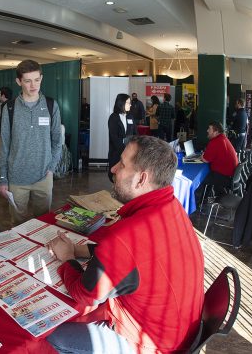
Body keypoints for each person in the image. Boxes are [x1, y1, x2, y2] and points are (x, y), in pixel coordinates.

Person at [46, 135, 205, 354]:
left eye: (122, 164)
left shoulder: (125, 236)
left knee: (51, 335)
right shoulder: (173, 207)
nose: (113, 169)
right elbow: (138, 258)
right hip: (181, 331)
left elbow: (84, 294)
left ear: (141, 179)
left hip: (150, 344)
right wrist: (79, 249)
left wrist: (67, 258)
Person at [0, 60, 62, 225]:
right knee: (18, 225)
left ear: (41, 78)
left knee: (44, 223)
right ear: (19, 81)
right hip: (17, 179)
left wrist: (51, 169)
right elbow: (4, 146)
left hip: (44, 177)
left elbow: (57, 141)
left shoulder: (50, 105)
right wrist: (3, 179)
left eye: (37, 79)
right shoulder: (9, 108)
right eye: (27, 81)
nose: (33, 85)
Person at [195, 121, 239, 204]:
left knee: (201, 178)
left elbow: (205, 159)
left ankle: (196, 203)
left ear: (216, 132)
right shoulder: (223, 138)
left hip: (225, 177)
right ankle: (204, 199)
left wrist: (202, 155)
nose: (207, 131)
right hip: (231, 176)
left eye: (209, 129)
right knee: (208, 175)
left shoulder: (215, 142)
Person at [107, 93, 134, 183]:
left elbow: (135, 133)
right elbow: (113, 137)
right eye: (128, 103)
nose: (130, 105)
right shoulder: (113, 117)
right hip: (117, 153)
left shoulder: (130, 116)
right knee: (116, 178)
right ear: (121, 103)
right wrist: (124, 145)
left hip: (129, 153)